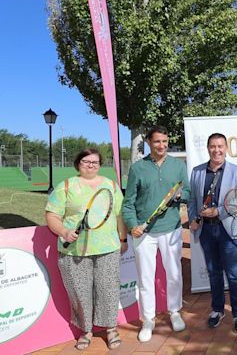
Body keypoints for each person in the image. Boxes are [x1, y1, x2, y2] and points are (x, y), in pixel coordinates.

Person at [45, 148, 127, 351]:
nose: (91, 165)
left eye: (95, 162)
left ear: (100, 164)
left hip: (107, 248)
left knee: (108, 289)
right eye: (86, 161)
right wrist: (64, 231)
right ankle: (86, 330)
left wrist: (123, 238)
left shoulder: (111, 186)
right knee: (79, 292)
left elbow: (118, 215)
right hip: (74, 251)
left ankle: (111, 328)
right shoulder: (66, 186)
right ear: (78, 163)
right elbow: (52, 215)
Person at [122, 125, 190, 342]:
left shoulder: (178, 166)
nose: (162, 145)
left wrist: (179, 197)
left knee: (174, 273)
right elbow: (128, 203)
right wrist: (133, 224)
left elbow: (187, 191)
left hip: (171, 229)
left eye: (165, 141)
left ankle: (175, 311)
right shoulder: (137, 168)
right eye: (157, 141)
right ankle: (148, 319)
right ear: (149, 143)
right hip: (144, 233)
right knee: (145, 278)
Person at [188, 133, 237, 334]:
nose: (217, 150)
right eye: (213, 146)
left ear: (226, 148)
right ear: (208, 148)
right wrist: (193, 218)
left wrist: (218, 211)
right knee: (213, 272)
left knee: (234, 274)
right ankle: (217, 310)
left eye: (220, 146)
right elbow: (192, 200)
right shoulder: (197, 172)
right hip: (206, 229)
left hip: (227, 228)